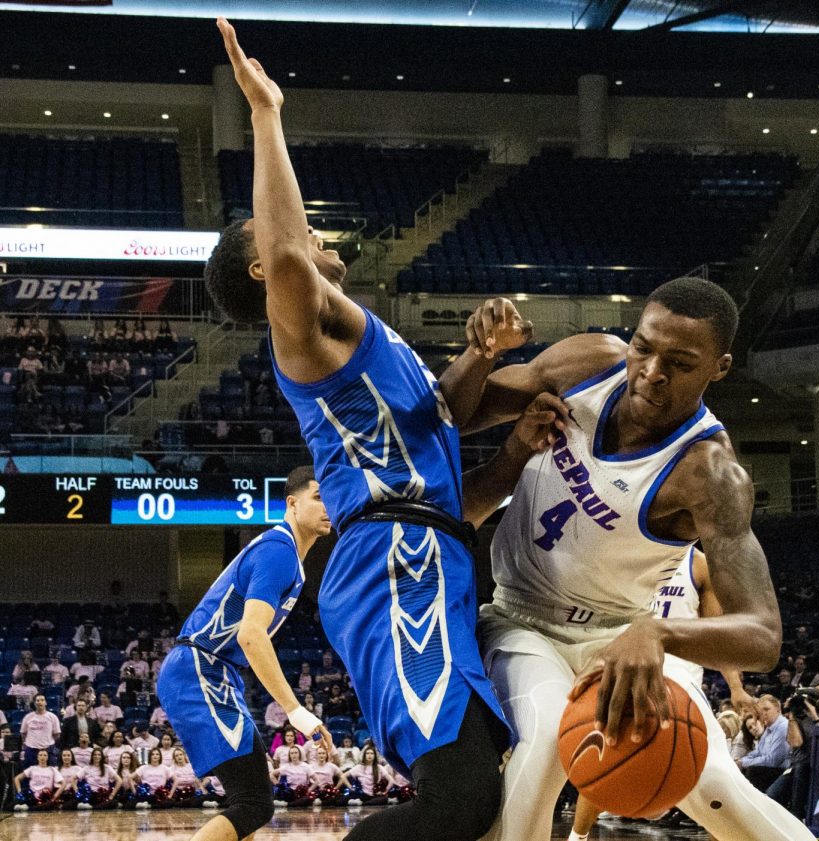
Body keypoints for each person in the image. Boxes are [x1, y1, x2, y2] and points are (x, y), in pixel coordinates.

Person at [207, 18, 543, 841]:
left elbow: (446, 438)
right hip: (390, 566)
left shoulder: (374, 342)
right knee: (460, 800)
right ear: (265, 271)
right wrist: (266, 114)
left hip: (429, 553)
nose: (314, 236)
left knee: (479, 798)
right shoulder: (310, 343)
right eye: (291, 239)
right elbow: (288, 254)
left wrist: (483, 364)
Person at [446, 277, 815, 841]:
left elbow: (762, 636)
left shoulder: (709, 473)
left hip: (619, 639)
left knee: (713, 781)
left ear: (719, 367)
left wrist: (660, 634)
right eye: (643, 347)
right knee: (545, 740)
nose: (650, 371)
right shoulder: (587, 364)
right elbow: (450, 413)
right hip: (519, 618)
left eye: (680, 362)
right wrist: (482, 352)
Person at [156, 467, 333, 841]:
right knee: (254, 803)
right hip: (201, 668)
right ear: (291, 502)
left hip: (212, 671)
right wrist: (296, 711)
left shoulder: (285, 554)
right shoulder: (279, 551)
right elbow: (251, 635)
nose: (328, 505)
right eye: (318, 497)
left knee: (249, 802)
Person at [569, 546, 756, 838]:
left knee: (718, 778)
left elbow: (715, 636)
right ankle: (576, 837)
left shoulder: (699, 565)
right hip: (631, 676)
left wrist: (736, 687)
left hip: (682, 685)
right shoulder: (626, 553)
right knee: (603, 763)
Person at [766, 688, 819, 818]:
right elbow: (795, 742)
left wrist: (814, 716)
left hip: (815, 767)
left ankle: (797, 815)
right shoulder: (798, 719)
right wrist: (791, 715)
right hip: (795, 766)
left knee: (801, 769)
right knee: (771, 796)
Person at [736, 695, 790, 791]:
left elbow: (773, 760)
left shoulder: (783, 727)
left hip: (783, 772)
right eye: (760, 711)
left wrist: (744, 762)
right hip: (771, 770)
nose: (763, 714)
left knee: (752, 770)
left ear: (778, 709)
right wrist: (740, 761)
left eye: (766, 709)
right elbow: (758, 752)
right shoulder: (769, 728)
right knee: (740, 769)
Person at [20, 694, 61, 768]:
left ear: (45, 703)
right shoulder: (28, 717)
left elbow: (57, 734)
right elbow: (23, 733)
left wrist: (47, 743)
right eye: (37, 700)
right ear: (35, 703)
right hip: (31, 750)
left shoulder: (52, 717)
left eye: (42, 700)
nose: (40, 702)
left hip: (48, 749)